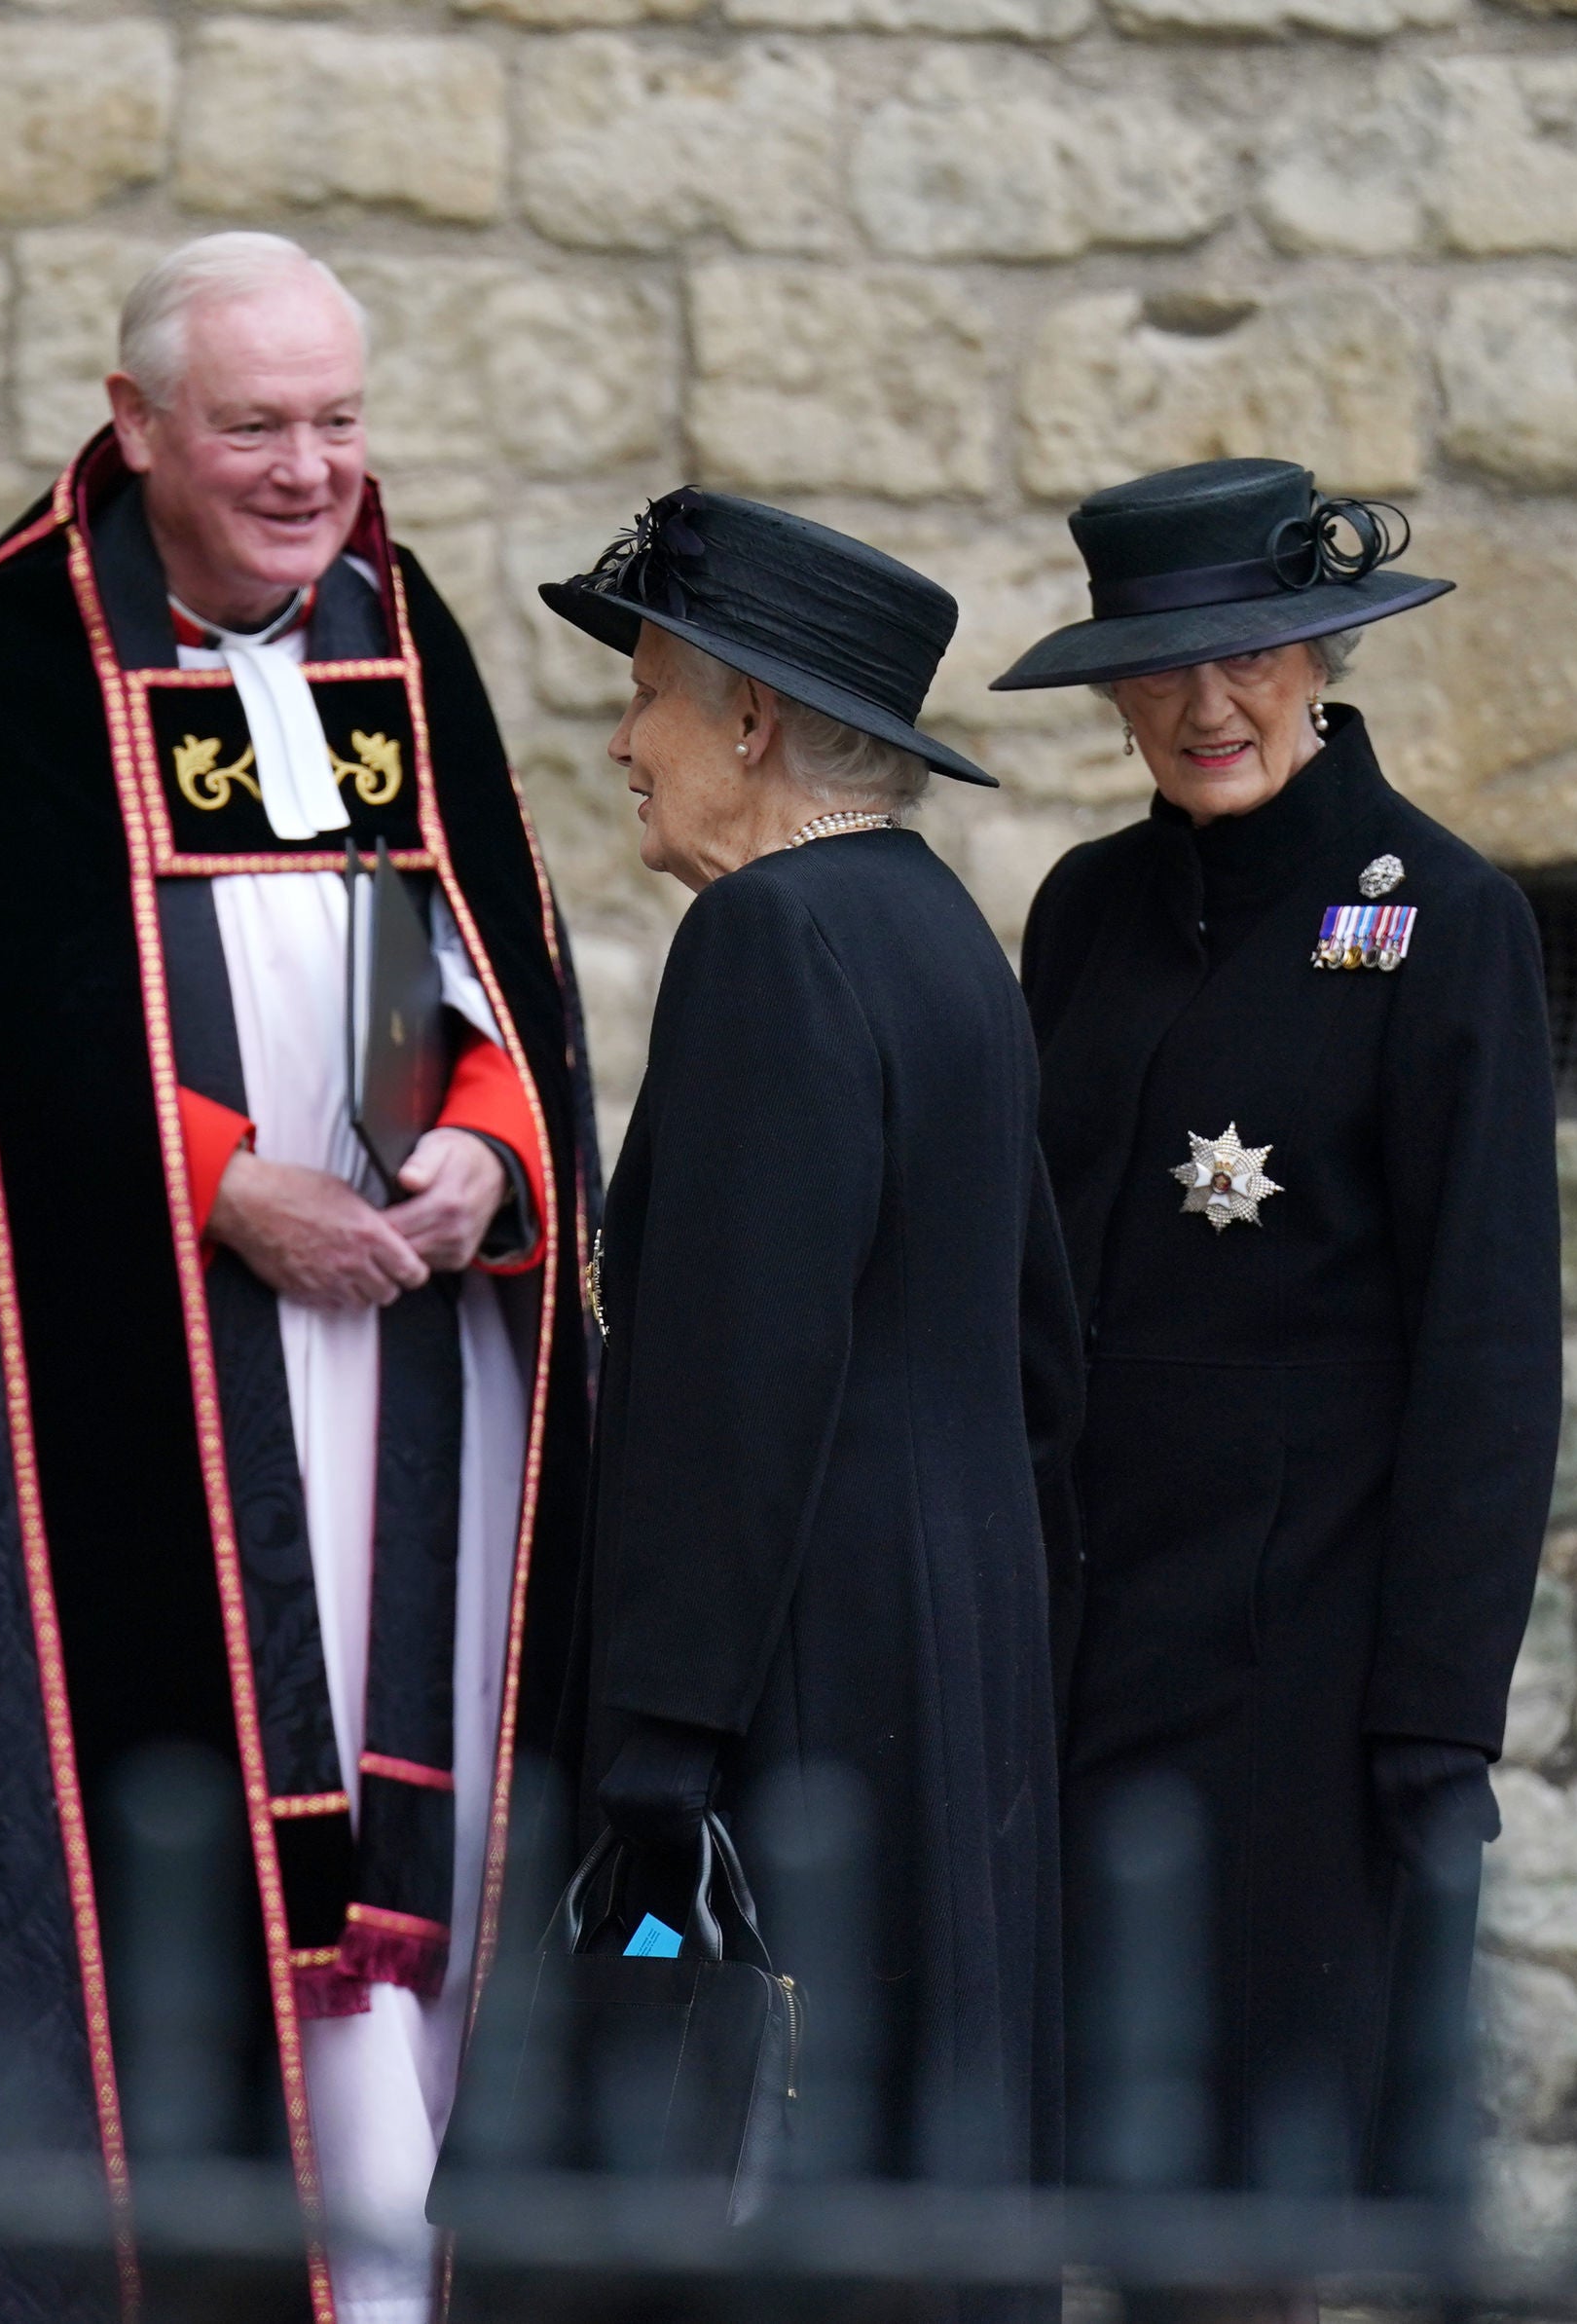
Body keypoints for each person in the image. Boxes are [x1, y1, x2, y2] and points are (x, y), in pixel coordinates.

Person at [0, 235, 595, 2324]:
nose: (310, 470)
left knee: (410, 1791)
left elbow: (494, 965)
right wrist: (218, 1183)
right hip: (144, 1400)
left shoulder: (400, 630)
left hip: (411, 1372)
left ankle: (403, 2270)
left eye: (337, 420)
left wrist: (482, 1151)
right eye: (254, 427)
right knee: (193, 1841)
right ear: (137, 425)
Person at [992, 459, 1559, 2211]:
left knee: (1235, 2224)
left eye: (1254, 656)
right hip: (1068, 1666)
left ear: (1322, 658)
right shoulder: (1085, 911)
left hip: (1295, 1706)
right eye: (1162, 665)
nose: (1209, 702)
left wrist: (1434, 1728)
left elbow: (1491, 1352)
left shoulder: (1443, 925)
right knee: (1041, 2185)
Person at [534, 489, 1082, 2208]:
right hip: (942, 1666)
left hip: (783, 1698)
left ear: (750, 722)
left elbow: (728, 1396)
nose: (624, 742)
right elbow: (1044, 1362)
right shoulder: (937, 934)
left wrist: (655, 1754)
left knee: (725, 2156)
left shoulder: (766, 942)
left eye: (647, 695)